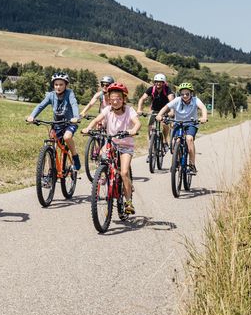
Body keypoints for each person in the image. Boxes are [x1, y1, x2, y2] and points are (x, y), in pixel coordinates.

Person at [81, 82, 141, 214]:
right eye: (112, 98)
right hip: (111, 143)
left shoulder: (129, 110)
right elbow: (97, 120)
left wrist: (133, 130)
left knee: (124, 172)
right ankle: (103, 174)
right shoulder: (107, 109)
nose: (115, 101)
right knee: (102, 156)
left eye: (118, 98)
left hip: (126, 146)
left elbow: (137, 123)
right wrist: (88, 128)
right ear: (108, 99)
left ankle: (128, 202)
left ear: (124, 99)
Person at [26, 72, 82, 171]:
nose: (58, 87)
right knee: (51, 145)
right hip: (57, 124)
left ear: (66, 85)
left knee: (67, 137)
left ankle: (75, 158)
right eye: (56, 84)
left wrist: (76, 117)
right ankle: (51, 172)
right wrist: (32, 116)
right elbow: (40, 106)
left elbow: (74, 104)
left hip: (70, 123)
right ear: (53, 85)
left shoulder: (69, 94)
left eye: (61, 84)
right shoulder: (51, 95)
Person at [155, 82, 208, 175]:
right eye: (182, 94)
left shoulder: (196, 100)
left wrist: (204, 117)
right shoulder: (177, 100)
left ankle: (192, 165)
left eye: (187, 94)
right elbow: (166, 107)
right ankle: (176, 161)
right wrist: (159, 115)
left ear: (191, 93)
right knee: (175, 142)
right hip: (178, 123)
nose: (184, 96)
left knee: (189, 139)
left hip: (191, 124)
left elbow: (203, 108)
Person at [137, 73, 175, 154]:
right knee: (150, 127)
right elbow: (142, 99)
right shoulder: (151, 89)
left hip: (165, 110)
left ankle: (165, 141)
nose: (158, 83)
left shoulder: (167, 90)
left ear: (163, 83)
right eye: (156, 82)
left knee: (164, 124)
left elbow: (172, 101)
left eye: (160, 82)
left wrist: (171, 111)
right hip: (154, 110)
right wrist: (139, 109)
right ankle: (151, 148)